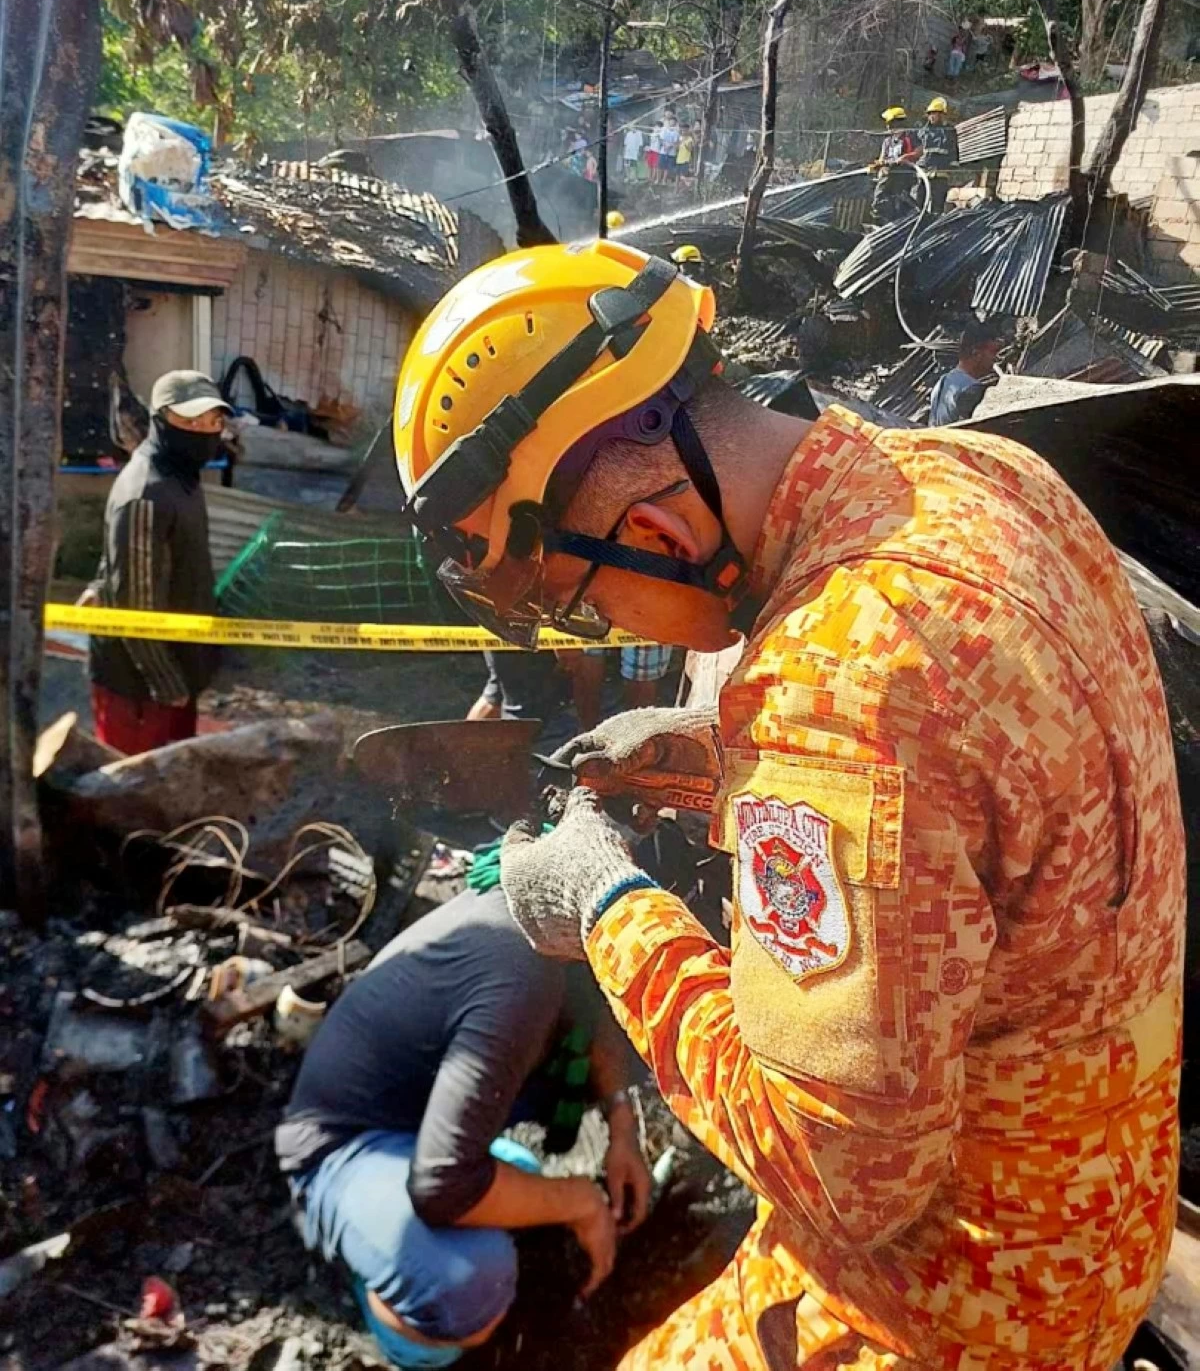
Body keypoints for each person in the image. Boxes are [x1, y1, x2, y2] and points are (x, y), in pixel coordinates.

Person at [391, 238, 1184, 1370]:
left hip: (958, 1307)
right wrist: (725, 764)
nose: (605, 631)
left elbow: (841, 1170)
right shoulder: (982, 477)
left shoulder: (836, 678)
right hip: (1095, 1218)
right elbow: (979, 788)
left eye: (581, 600)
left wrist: (606, 903)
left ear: (655, 531)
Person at [277, 886, 650, 1368]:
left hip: (412, 1127)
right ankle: (390, 1292)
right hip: (339, 1147)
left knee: (516, 1187)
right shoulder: (521, 972)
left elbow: (599, 1015)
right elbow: (444, 1186)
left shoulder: (546, 915)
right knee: (468, 1285)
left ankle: (411, 1236)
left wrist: (623, 1127)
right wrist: (583, 1202)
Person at [85, 369, 230, 754]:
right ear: (162, 420)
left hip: (173, 670)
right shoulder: (147, 494)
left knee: (171, 786)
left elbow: (126, 560)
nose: (204, 429)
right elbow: (136, 608)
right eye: (190, 420)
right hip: (141, 687)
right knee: (132, 798)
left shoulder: (180, 475)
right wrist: (166, 683)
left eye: (212, 420)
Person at [928, 320, 1004, 425]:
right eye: (993, 352)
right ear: (976, 353)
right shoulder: (972, 390)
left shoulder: (942, 382)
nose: (996, 358)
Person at [911, 96, 959, 217]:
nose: (931, 116)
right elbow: (917, 149)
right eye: (930, 114)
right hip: (924, 171)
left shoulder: (949, 131)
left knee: (937, 204)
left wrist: (951, 167)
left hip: (940, 171)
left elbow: (953, 150)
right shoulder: (923, 131)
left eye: (935, 114)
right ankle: (917, 222)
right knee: (919, 202)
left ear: (942, 115)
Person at [868, 105, 915, 224]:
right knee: (880, 200)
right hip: (888, 175)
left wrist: (906, 157)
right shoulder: (887, 141)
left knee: (900, 202)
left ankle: (901, 220)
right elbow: (882, 158)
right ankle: (886, 221)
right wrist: (877, 165)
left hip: (903, 176)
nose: (888, 126)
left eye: (890, 123)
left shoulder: (909, 138)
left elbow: (918, 152)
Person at [658, 115, 680, 182]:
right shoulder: (664, 130)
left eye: (674, 122)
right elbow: (661, 139)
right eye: (671, 121)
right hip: (663, 151)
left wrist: (669, 146)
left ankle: (664, 180)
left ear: (675, 123)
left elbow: (676, 142)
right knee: (660, 167)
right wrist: (664, 145)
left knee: (667, 168)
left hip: (671, 153)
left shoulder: (676, 132)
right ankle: (658, 179)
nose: (672, 123)